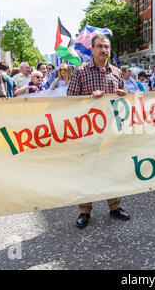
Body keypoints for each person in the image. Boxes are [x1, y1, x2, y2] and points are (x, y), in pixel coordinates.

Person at [67, 33, 130, 228]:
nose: (104, 50)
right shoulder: (80, 71)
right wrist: (88, 99)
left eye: (107, 47)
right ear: (92, 49)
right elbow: (69, 101)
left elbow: (124, 98)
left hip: (111, 131)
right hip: (88, 131)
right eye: (100, 46)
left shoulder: (117, 72)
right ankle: (84, 210)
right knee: (87, 170)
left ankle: (114, 206)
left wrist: (123, 94)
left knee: (112, 169)